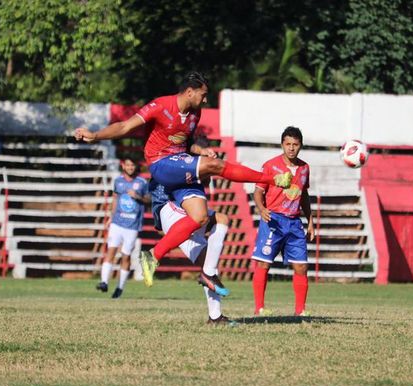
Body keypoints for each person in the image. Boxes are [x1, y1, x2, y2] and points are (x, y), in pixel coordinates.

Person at [74, 71, 292, 289]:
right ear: (189, 92)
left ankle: (156, 257)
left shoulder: (195, 114)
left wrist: (201, 150)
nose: (205, 100)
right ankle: (271, 178)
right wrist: (95, 135)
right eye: (203, 94)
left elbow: (186, 146)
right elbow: (124, 127)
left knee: (199, 217)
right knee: (215, 167)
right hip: (160, 164)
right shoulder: (160, 105)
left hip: (180, 164)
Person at [251, 127, 315, 317]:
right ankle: (259, 308)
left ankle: (300, 311)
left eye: (295, 144)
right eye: (288, 144)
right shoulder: (270, 165)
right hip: (274, 220)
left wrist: (310, 221)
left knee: (301, 266)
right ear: (282, 145)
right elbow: (258, 191)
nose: (291, 148)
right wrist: (262, 209)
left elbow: (304, 196)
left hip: (294, 223)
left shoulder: (305, 168)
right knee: (263, 264)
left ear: (300, 146)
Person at [96, 157, 149, 299]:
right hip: (117, 223)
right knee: (111, 251)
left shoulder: (142, 182)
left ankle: (119, 288)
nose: (130, 167)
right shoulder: (118, 181)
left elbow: (149, 200)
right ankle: (104, 282)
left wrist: (138, 196)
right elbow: (115, 199)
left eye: (133, 165)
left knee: (126, 256)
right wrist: (110, 218)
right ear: (123, 166)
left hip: (132, 225)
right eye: (128, 165)